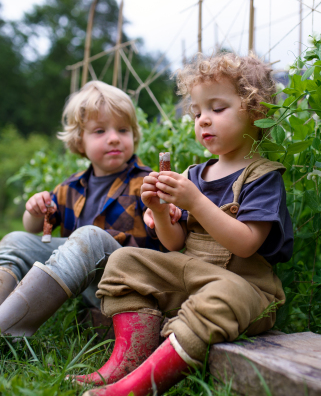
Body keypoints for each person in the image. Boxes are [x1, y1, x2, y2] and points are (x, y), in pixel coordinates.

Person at [74, 53, 294, 396]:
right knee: (123, 261)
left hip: (244, 289)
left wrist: (194, 202)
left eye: (217, 109)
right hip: (190, 275)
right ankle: (128, 359)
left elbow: (247, 243)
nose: (203, 120)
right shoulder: (195, 175)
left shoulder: (262, 177)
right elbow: (174, 244)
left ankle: (139, 385)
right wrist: (160, 212)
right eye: (197, 112)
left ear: (256, 110)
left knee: (222, 294)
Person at [0, 81, 179, 349]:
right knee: (16, 239)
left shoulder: (146, 183)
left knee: (89, 237)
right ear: (80, 140)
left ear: (133, 135)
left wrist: (160, 213)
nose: (114, 138)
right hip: (85, 287)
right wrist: (33, 210)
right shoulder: (69, 187)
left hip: (125, 283)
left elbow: (167, 238)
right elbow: (34, 228)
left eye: (122, 130)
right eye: (100, 130)